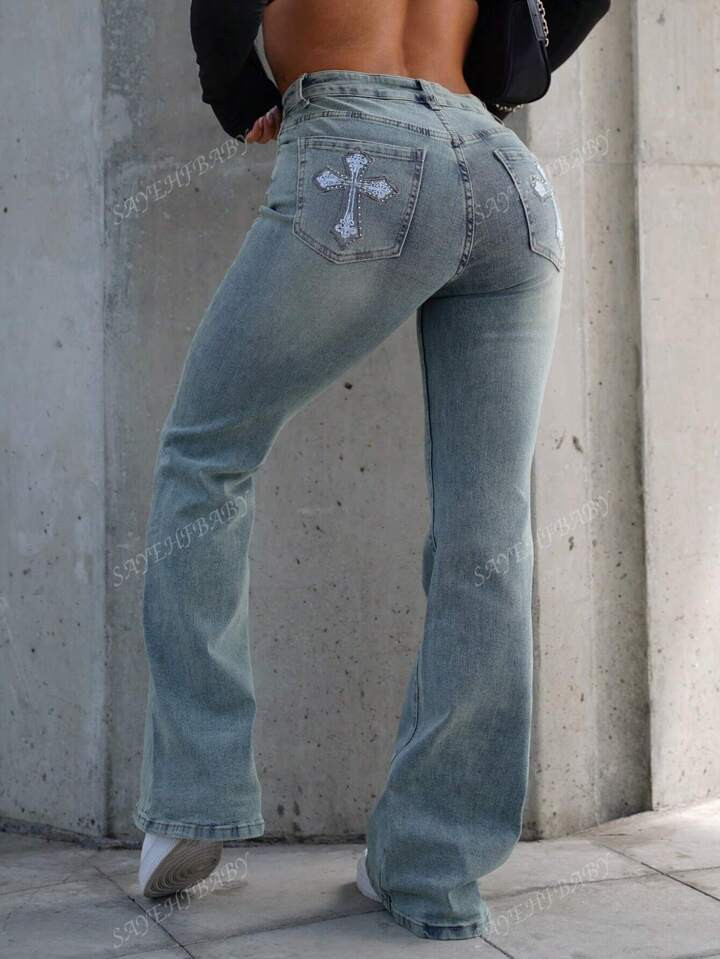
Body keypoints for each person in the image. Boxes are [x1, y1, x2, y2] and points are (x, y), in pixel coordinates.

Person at [134, 0, 605, 941]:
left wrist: (237, 87)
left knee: (206, 456)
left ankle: (195, 799)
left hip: (359, 152)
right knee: (487, 534)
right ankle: (433, 874)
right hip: (506, 178)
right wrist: (516, 64)